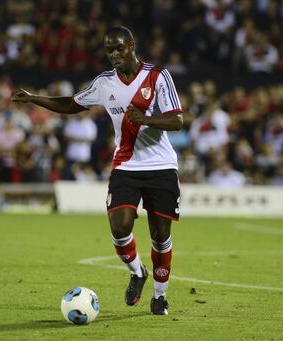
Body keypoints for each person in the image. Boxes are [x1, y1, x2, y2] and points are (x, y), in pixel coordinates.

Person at [12, 26, 183, 315]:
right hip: (126, 165)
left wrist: (146, 119)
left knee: (160, 235)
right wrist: (34, 98)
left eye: (119, 47)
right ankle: (138, 272)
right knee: (119, 228)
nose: (114, 54)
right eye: (108, 49)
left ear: (131, 45)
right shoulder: (104, 83)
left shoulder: (157, 76)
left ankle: (160, 296)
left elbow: (176, 121)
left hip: (161, 166)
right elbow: (71, 104)